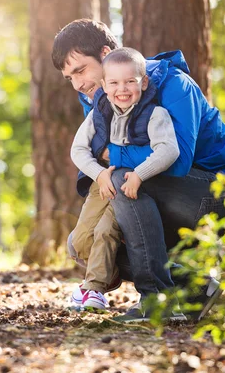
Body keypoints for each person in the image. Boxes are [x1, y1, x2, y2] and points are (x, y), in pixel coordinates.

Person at [52, 19, 225, 323]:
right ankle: (192, 286)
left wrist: (112, 154)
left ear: (105, 54)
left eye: (80, 71)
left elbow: (177, 160)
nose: (77, 84)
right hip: (155, 199)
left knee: (123, 178)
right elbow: (97, 159)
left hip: (216, 195)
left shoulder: (174, 85)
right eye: (70, 78)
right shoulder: (98, 97)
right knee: (82, 244)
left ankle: (158, 298)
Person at [67, 47, 180, 313]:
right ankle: (109, 276)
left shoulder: (155, 115)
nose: (123, 89)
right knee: (80, 241)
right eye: (115, 83)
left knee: (107, 231)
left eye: (130, 81)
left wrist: (139, 174)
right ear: (104, 86)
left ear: (143, 82)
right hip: (103, 182)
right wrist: (99, 172)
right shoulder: (100, 112)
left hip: (130, 186)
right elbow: (78, 149)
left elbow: (169, 150)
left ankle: (94, 289)